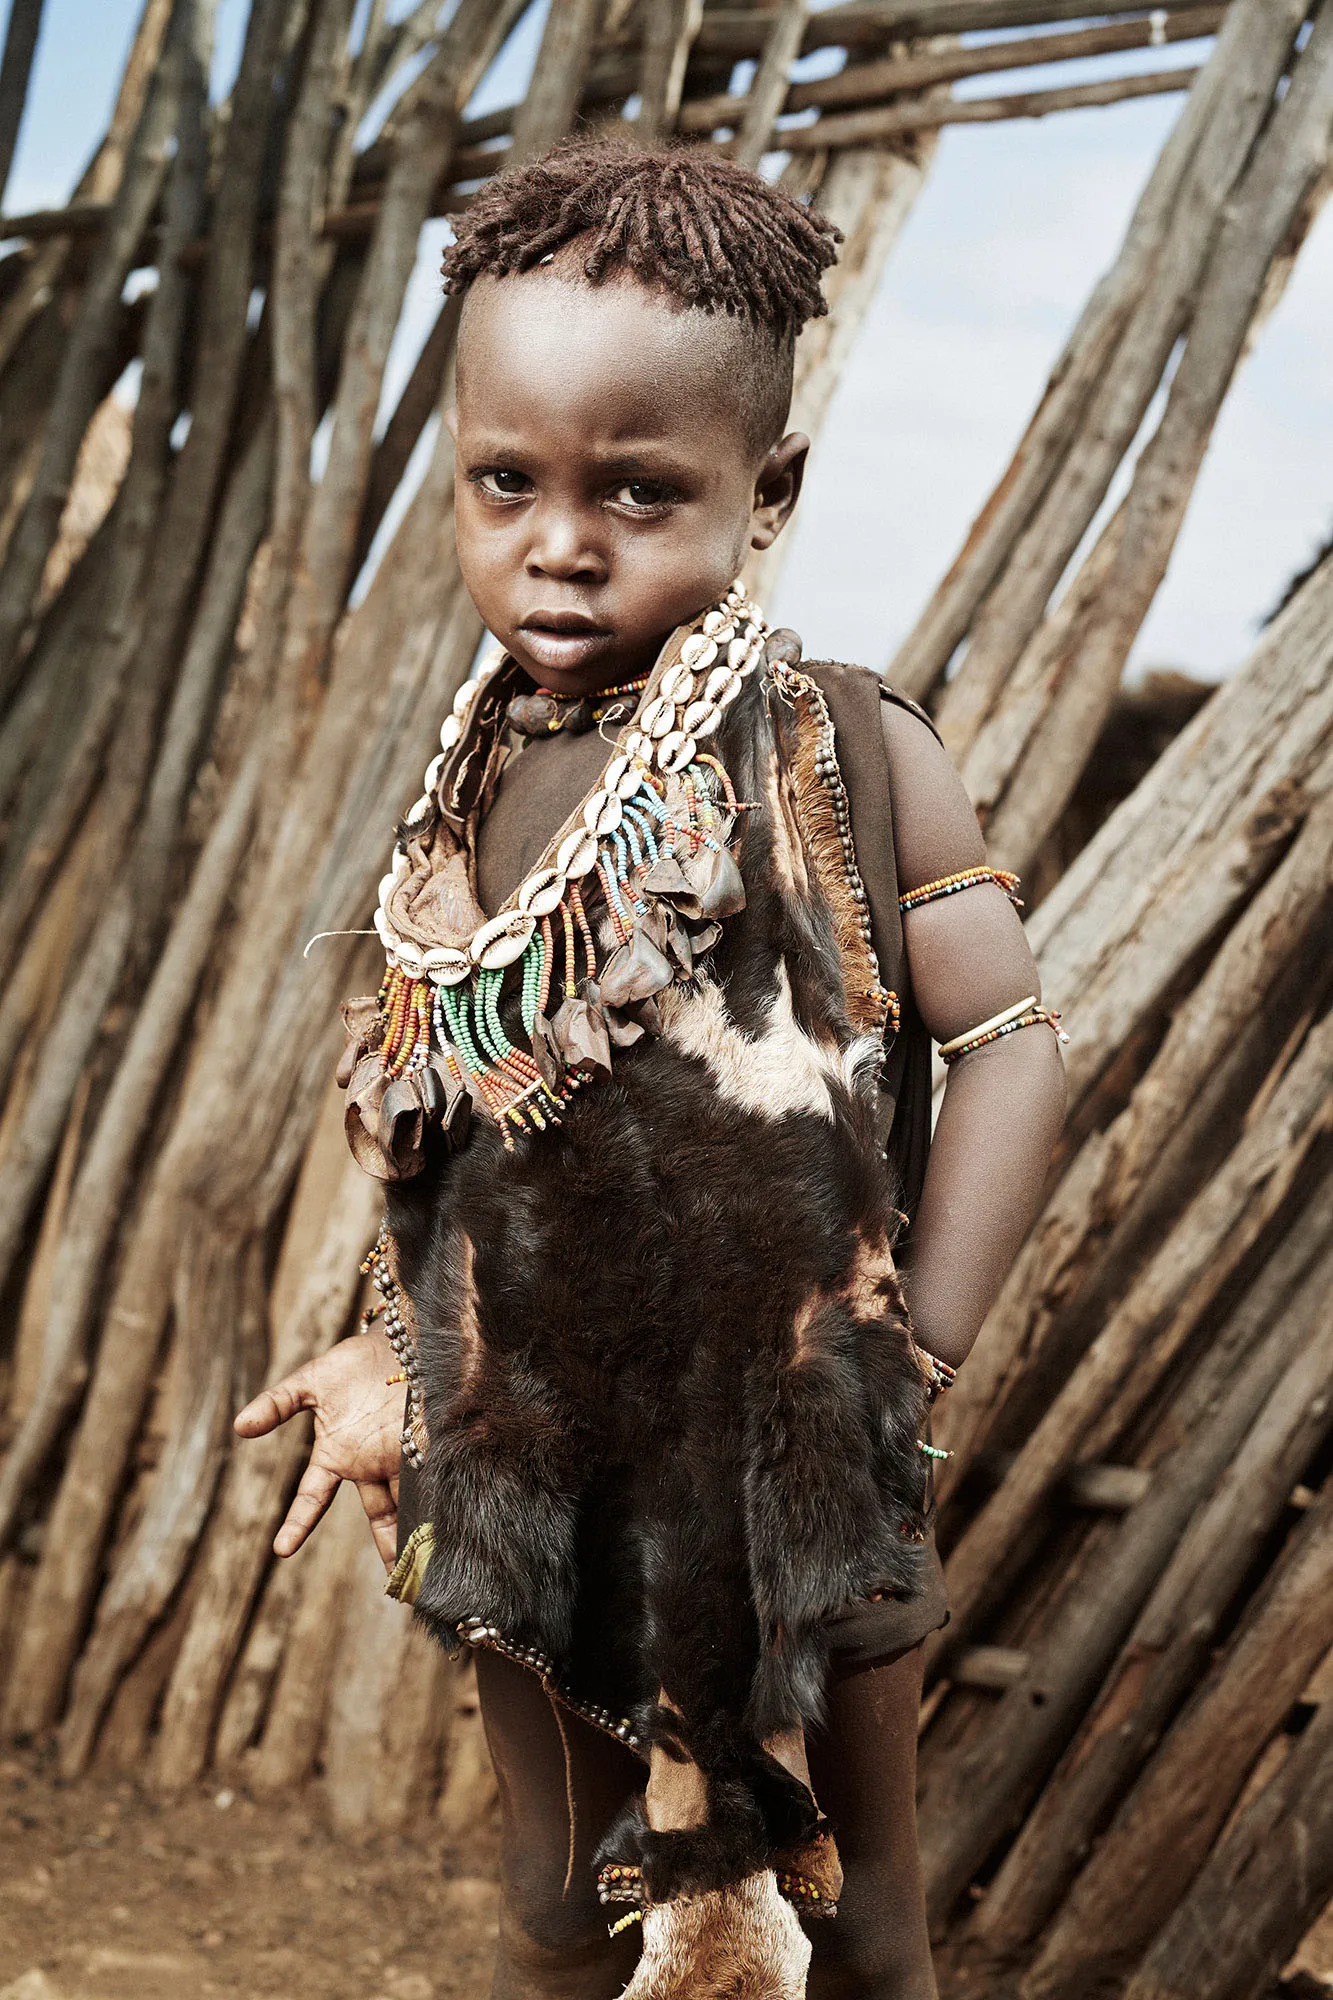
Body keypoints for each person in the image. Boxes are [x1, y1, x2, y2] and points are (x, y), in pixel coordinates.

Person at [235, 144, 1066, 2000]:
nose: (561, 540)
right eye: (505, 482)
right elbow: (443, 1142)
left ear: (764, 491)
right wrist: (394, 1349)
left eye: (638, 489)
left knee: (854, 1928)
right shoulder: (465, 801)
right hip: (533, 1466)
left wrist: (903, 1353)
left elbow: (1013, 1046)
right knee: (556, 1897)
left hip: (801, 1472)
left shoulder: (845, 744)